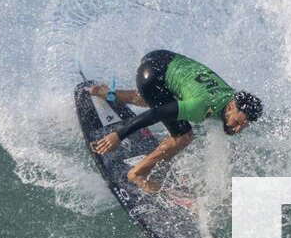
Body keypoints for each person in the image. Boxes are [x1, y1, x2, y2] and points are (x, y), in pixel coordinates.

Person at [89, 49, 263, 193]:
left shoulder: (230, 96)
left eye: (244, 126)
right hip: (153, 75)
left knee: (164, 101)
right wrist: (118, 135)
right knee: (182, 136)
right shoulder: (201, 106)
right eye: (238, 122)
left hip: (161, 58)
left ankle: (105, 93)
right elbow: (155, 114)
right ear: (232, 106)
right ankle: (137, 174)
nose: (238, 128)